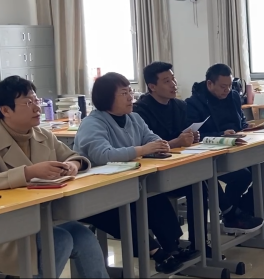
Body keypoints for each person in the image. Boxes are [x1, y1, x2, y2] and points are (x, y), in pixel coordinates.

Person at [0, 76, 109, 278]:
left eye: (36, 100)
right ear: (5, 110)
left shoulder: (42, 134)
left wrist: (73, 165)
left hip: (41, 219)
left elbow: (74, 156)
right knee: (60, 240)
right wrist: (27, 173)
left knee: (84, 236)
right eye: (28, 103)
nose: (37, 107)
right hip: (3, 226)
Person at [74, 72, 200, 274]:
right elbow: (102, 155)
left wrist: (160, 145)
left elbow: (153, 139)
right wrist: (142, 150)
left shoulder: (134, 118)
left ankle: (173, 247)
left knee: (154, 197)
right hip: (96, 190)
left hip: (126, 183)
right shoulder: (93, 122)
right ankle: (157, 253)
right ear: (107, 98)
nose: (130, 97)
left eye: (130, 92)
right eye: (124, 93)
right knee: (125, 209)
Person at [135, 61, 263, 235]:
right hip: (156, 171)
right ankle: (228, 216)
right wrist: (177, 142)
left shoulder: (179, 106)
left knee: (203, 177)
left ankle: (206, 237)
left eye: (173, 79)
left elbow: (186, 135)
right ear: (152, 86)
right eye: (167, 81)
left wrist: (193, 137)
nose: (173, 84)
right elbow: (148, 146)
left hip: (183, 162)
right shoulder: (141, 111)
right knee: (202, 179)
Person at [185, 63, 264, 229]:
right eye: (222, 86)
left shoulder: (233, 96)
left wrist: (247, 127)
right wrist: (221, 135)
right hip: (216, 154)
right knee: (242, 175)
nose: (227, 90)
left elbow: (240, 122)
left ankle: (242, 209)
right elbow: (194, 136)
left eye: (230, 85)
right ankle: (233, 216)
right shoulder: (194, 103)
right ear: (210, 84)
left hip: (240, 147)